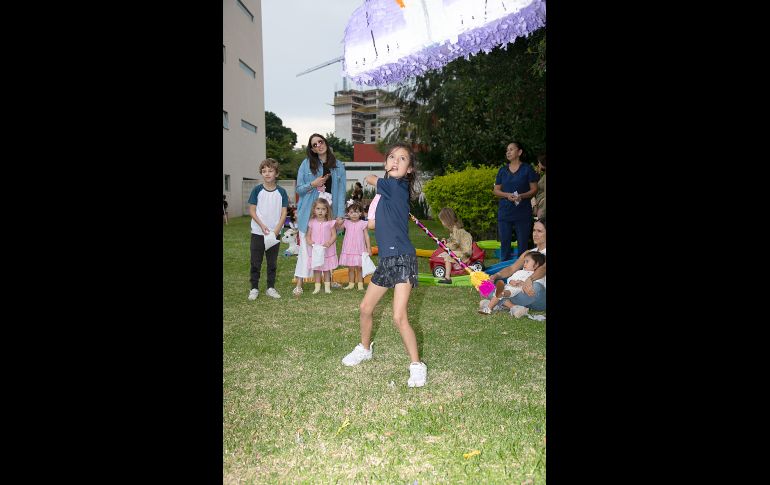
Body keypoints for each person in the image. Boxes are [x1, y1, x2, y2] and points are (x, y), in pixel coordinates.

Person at [341, 143, 427, 388]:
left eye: (402, 159)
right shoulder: (387, 194)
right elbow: (374, 223)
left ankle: (417, 366)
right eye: (392, 157)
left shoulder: (394, 186)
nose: (396, 161)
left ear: (409, 170)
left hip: (402, 259)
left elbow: (369, 178)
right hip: (387, 260)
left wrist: (377, 176)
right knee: (365, 307)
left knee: (399, 316)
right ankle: (365, 349)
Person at [292, 133, 347, 297]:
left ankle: (328, 279)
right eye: (314, 145)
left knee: (328, 246)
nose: (318, 146)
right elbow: (299, 189)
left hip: (329, 213)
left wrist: (340, 215)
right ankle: (300, 283)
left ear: (325, 143)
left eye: (320, 142)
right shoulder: (306, 164)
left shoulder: (338, 166)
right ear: (312, 149)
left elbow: (341, 192)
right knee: (306, 248)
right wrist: (313, 184)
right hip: (309, 213)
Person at [480, 218, 547, 315]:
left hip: (538, 295)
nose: (535, 234)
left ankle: (497, 302)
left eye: (539, 231)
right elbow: (512, 268)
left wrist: (530, 279)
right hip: (519, 291)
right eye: (534, 230)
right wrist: (496, 275)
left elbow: (543, 269)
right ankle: (510, 305)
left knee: (536, 287)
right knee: (484, 285)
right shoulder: (529, 253)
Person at [247, 159, 288, 300]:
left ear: (276, 173)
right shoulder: (257, 190)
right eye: (264, 171)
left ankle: (270, 287)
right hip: (258, 232)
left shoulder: (281, 192)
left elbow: (284, 213)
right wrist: (262, 225)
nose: (267, 173)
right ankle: (254, 288)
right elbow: (252, 210)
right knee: (255, 262)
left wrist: (276, 231)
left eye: (270, 171)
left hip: (273, 234)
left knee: (272, 263)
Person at [493, 141, 539, 262]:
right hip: (505, 213)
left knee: (523, 245)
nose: (508, 152)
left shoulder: (528, 169)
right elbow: (496, 191)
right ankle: (503, 273)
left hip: (523, 213)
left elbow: (534, 189)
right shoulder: (502, 170)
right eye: (507, 150)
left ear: (519, 152)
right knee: (505, 245)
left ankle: (522, 273)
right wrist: (507, 195)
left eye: (511, 149)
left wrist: (522, 196)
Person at [479, 251, 545, 317]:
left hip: (517, 292)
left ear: (536, 265)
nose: (524, 264)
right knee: (484, 286)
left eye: (527, 262)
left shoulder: (538, 275)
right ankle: (512, 306)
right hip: (509, 288)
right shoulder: (520, 272)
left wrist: (523, 284)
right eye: (524, 262)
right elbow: (510, 279)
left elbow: (538, 285)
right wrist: (512, 281)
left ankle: (490, 307)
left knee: (500, 293)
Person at [305, 198, 339, 294]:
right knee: (317, 269)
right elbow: (308, 235)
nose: (320, 211)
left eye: (323, 209)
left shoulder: (330, 222)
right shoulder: (312, 222)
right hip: (316, 250)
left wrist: (329, 243)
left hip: (326, 250)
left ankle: (327, 287)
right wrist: (310, 241)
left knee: (327, 269)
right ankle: (317, 287)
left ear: (327, 210)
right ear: (314, 210)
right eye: (318, 208)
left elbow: (334, 235)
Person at [338, 202, 371, 291]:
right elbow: (339, 228)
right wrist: (340, 221)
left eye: (356, 212)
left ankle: (360, 285)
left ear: (360, 213)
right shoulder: (346, 222)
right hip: (349, 249)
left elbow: (367, 236)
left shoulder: (363, 223)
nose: (354, 214)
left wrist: (368, 248)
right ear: (348, 214)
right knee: (350, 268)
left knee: (359, 268)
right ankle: (351, 284)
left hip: (359, 249)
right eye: (351, 212)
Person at [435, 207, 473, 285]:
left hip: (465, 252)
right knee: (445, 254)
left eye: (442, 220)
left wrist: (446, 245)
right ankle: (455, 267)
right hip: (461, 249)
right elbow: (453, 240)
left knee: (448, 257)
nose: (441, 222)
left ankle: (447, 277)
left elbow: (455, 244)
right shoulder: (454, 229)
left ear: (447, 220)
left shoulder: (456, 230)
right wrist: (447, 241)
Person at [532, 153, 546, 220]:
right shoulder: (544, 175)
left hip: (542, 211)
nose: (538, 164)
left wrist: (542, 212)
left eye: (539, 162)